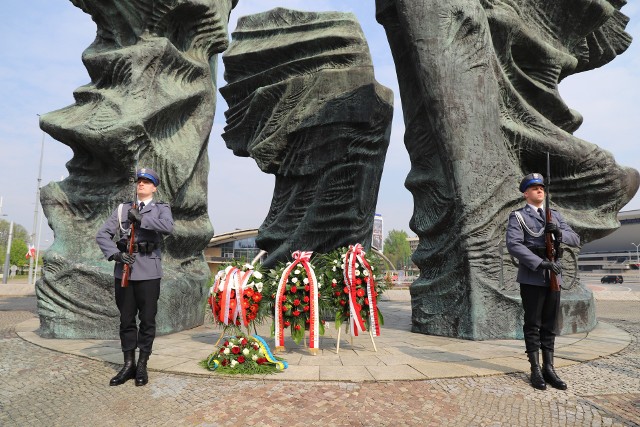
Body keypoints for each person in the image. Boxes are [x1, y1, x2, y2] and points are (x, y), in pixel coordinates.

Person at [96, 168, 174, 387]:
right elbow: (102, 234)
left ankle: (142, 365)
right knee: (126, 319)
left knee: (147, 320)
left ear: (154, 187)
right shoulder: (122, 209)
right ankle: (128, 364)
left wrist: (141, 220)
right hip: (124, 270)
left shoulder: (161, 209)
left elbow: (169, 227)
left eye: (146, 182)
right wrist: (115, 253)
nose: (141, 184)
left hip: (149, 271)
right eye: (139, 181)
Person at [506, 173, 580, 391]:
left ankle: (549, 368)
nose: (540, 190)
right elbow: (514, 245)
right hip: (533, 276)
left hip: (555, 276)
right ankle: (535, 369)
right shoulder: (518, 217)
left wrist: (558, 232)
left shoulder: (554, 216)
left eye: (541, 187)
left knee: (549, 324)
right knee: (533, 324)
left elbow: (575, 239)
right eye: (534, 188)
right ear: (525, 193)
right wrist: (540, 263)